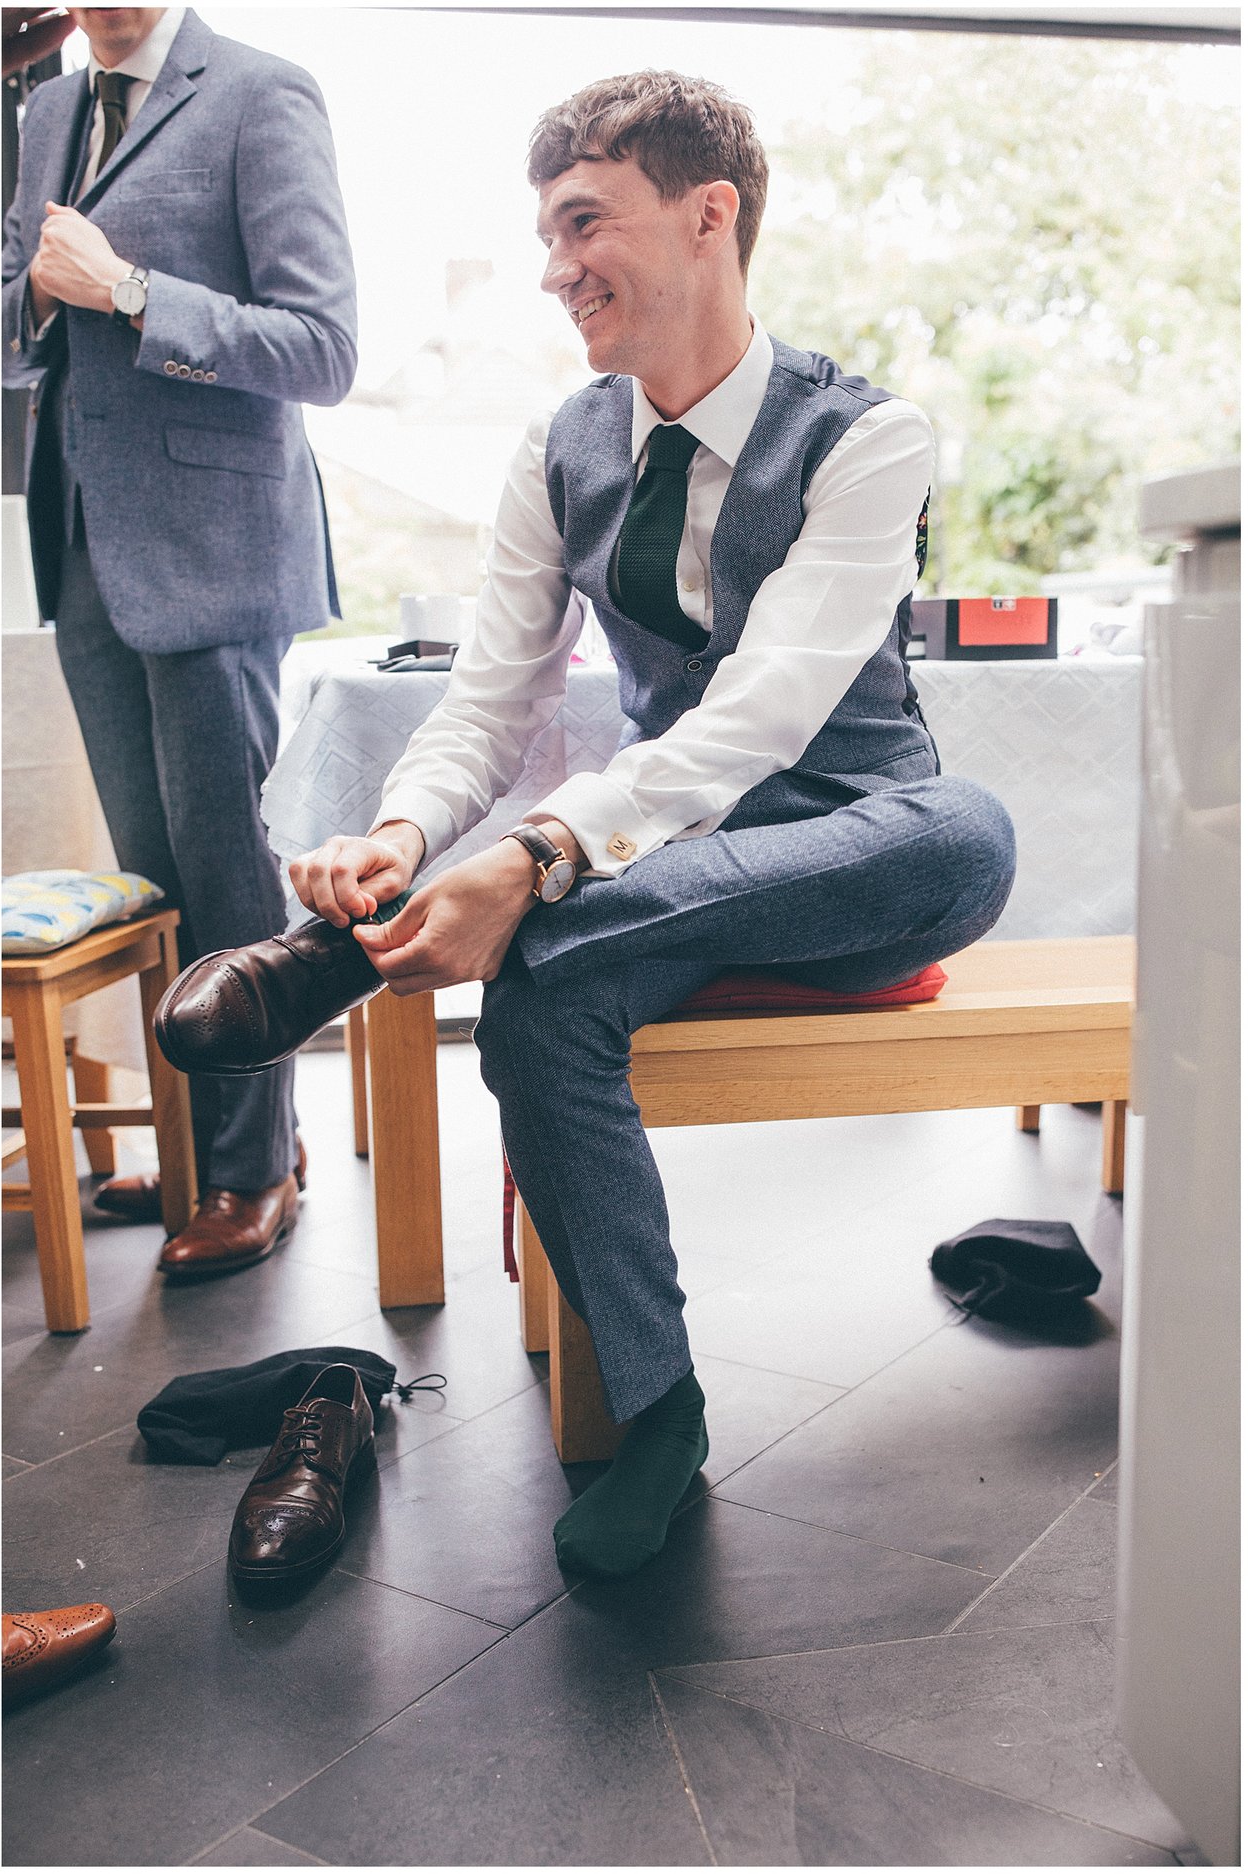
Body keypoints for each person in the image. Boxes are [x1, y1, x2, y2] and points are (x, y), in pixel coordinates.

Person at [287, 71, 1014, 1579]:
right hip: (670, 876)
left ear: (708, 216)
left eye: (580, 224)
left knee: (971, 829)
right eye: (548, 235)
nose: (554, 269)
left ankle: (343, 959)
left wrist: (534, 857)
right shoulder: (560, 450)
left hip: (859, 849)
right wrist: (411, 839)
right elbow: (488, 701)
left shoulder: (869, 436)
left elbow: (764, 712)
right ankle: (660, 1409)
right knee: (540, 991)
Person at [0, 6, 355, 1277]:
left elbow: (322, 349)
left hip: (217, 545)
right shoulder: (43, 108)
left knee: (225, 875)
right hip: (84, 542)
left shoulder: (263, 94)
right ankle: (215, 1145)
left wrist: (132, 290)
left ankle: (256, 1171)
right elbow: (10, 317)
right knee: (154, 882)